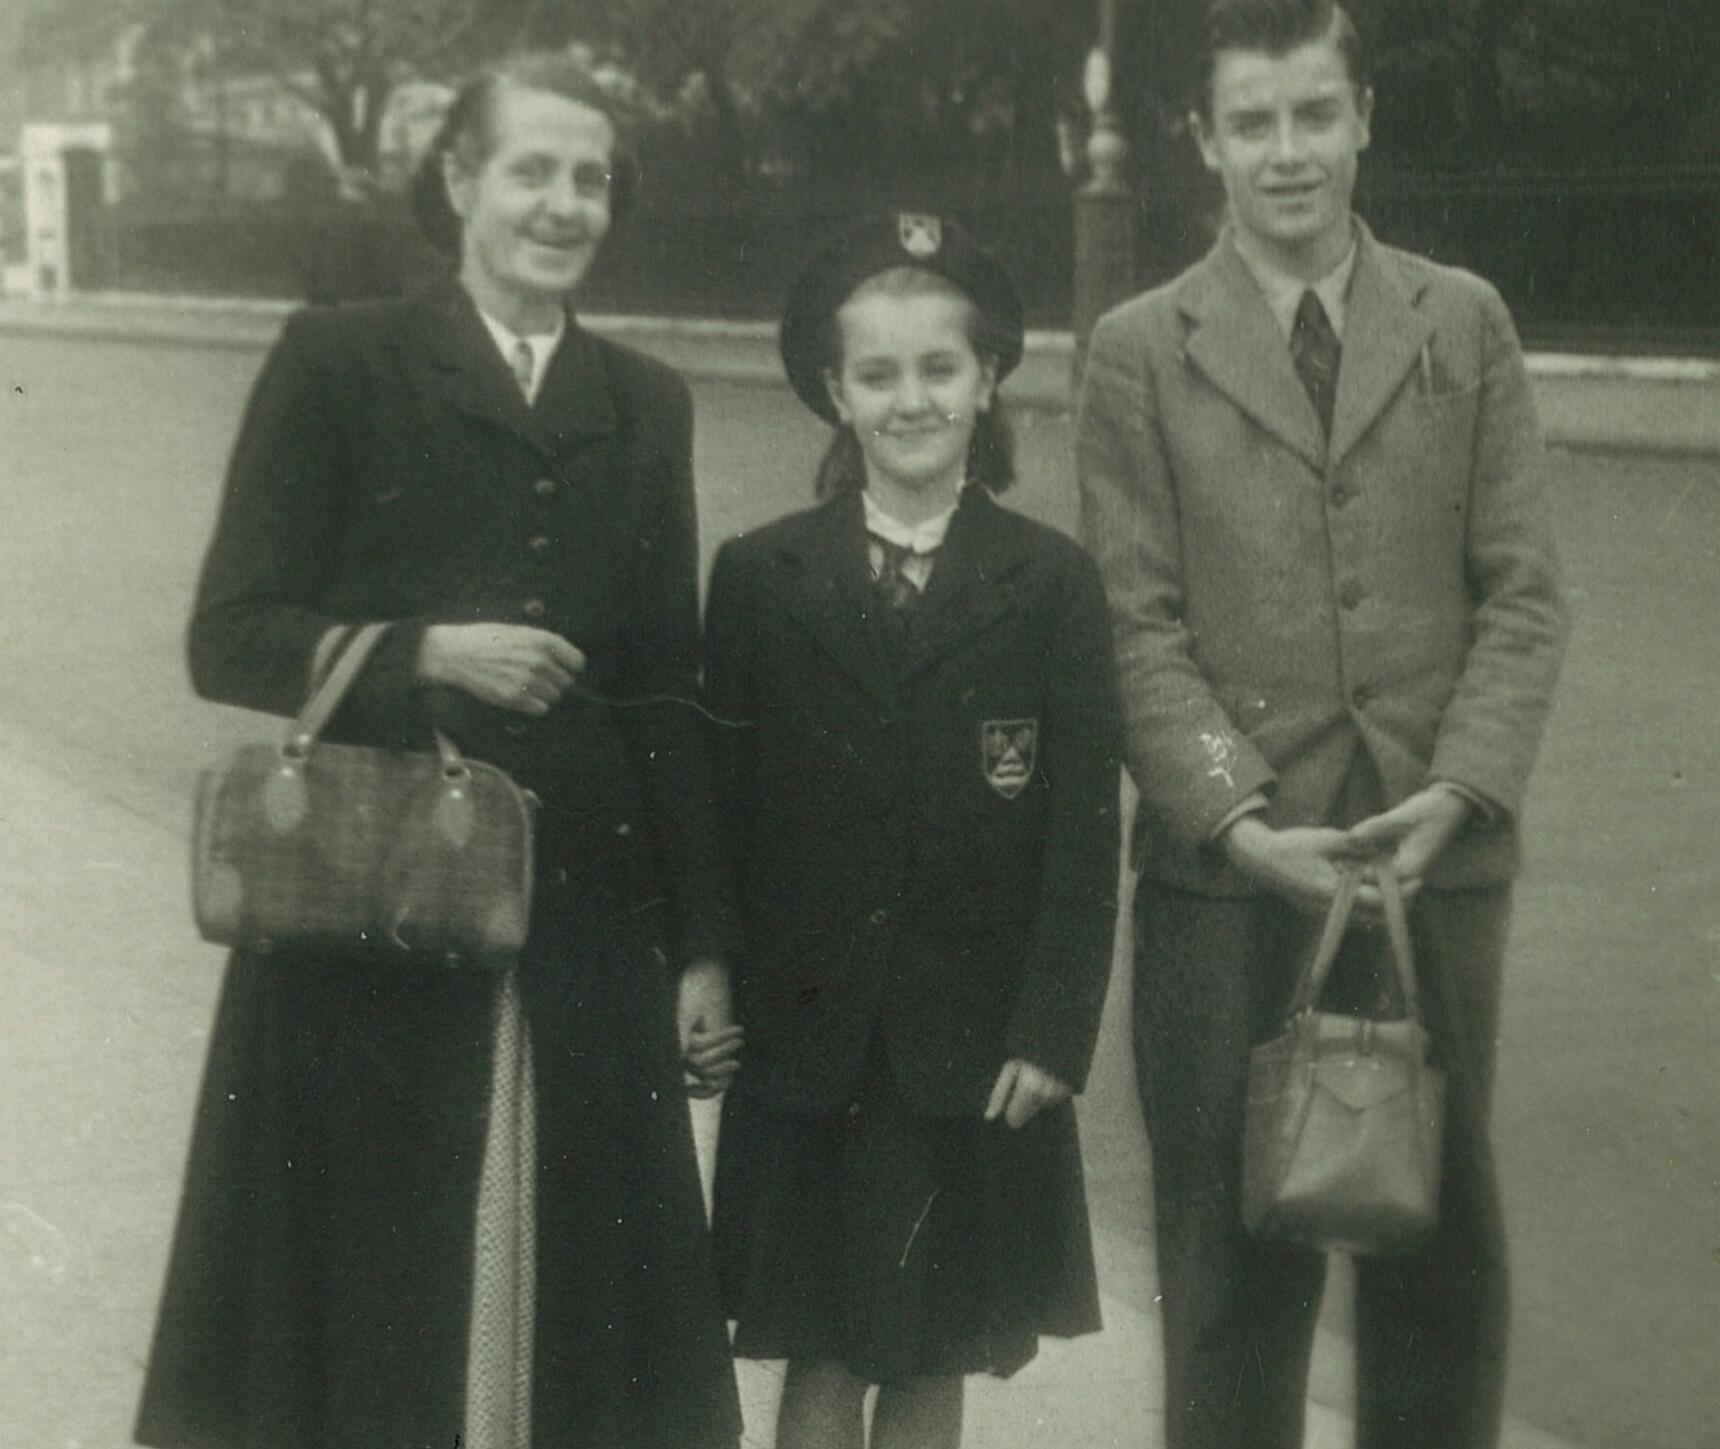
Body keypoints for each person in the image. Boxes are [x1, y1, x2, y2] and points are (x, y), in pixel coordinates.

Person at [134, 53, 743, 1449]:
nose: (564, 203)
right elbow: (228, 634)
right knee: (374, 1300)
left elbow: (665, 691)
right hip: (372, 917)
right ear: (460, 179)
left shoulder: (648, 402)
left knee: (586, 1314)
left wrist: (704, 941)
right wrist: (421, 651)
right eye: (532, 169)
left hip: (587, 928)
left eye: (592, 178)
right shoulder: (340, 360)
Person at [1076, 3, 1569, 1446]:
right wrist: (1239, 818)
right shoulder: (1136, 350)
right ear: (1204, 143)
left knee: (1436, 1238)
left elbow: (1526, 595)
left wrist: (1461, 790)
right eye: (1251, 123)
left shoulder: (1461, 318)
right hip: (1228, 878)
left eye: (1312, 115)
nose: (1285, 153)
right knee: (1230, 1261)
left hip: (1431, 866)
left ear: (1364, 118)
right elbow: (1132, 623)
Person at [703, 213, 1123, 1449]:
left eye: (939, 370)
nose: (911, 400)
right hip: (806, 1044)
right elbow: (722, 810)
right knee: (820, 1345)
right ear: (833, 393)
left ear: (987, 379)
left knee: (934, 1349)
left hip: (969, 1048)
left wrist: (1051, 1031)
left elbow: (1080, 831)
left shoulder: (1049, 584)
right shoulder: (759, 576)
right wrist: (709, 971)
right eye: (877, 376)